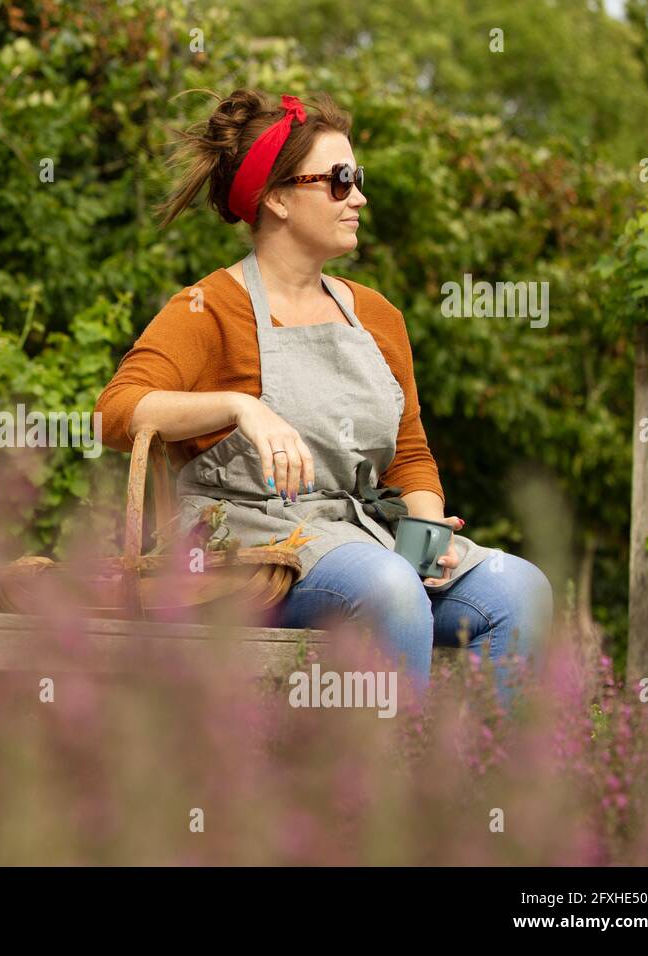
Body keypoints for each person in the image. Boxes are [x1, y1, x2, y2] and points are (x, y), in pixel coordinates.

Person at [94, 89, 552, 705]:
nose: (358, 196)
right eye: (339, 180)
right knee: (389, 586)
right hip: (252, 560)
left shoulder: (377, 316)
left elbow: (409, 454)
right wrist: (239, 406)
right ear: (278, 198)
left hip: (365, 541)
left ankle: (478, 782)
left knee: (519, 589)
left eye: (356, 178)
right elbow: (115, 413)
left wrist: (424, 534)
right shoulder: (209, 309)